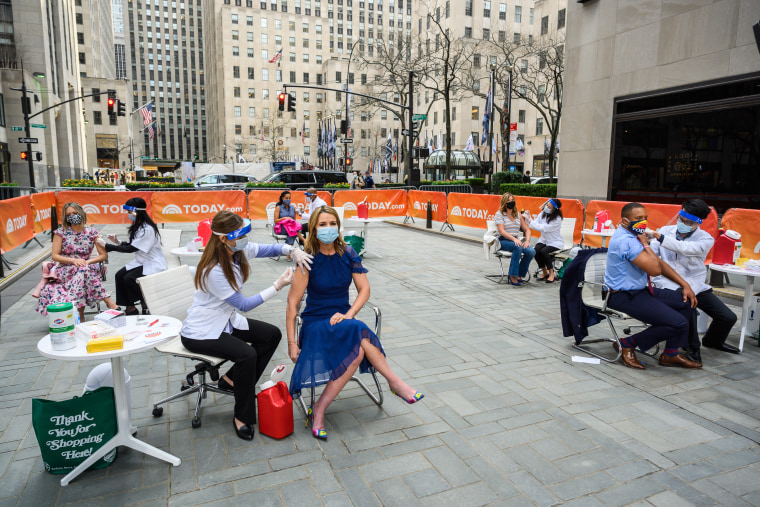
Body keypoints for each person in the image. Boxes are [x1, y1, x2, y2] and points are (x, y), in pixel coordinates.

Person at [287, 206, 423, 440]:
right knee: (359, 333)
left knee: (357, 341)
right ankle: (394, 382)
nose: (328, 228)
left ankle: (319, 409)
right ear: (313, 228)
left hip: (343, 320)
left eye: (332, 224)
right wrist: (291, 342)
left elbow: (364, 289)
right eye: (322, 224)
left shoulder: (348, 253)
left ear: (338, 227)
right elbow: (292, 304)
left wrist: (348, 314)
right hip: (316, 323)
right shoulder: (307, 259)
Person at [180, 210, 314, 440]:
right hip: (202, 330)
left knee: (271, 335)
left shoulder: (237, 250)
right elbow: (244, 304)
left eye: (245, 231)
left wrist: (293, 250)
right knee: (247, 355)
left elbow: (268, 249)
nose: (245, 238)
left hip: (226, 321)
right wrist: (278, 285)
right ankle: (242, 415)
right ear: (223, 238)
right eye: (239, 233)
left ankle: (232, 381)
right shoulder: (214, 270)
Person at [604, 202, 700, 370]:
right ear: (625, 221)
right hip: (622, 296)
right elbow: (655, 270)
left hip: (641, 291)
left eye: (645, 218)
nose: (643, 222)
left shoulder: (634, 235)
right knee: (678, 323)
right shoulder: (625, 240)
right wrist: (646, 245)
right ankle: (627, 343)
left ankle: (670, 354)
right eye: (638, 219)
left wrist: (685, 285)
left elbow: (659, 264)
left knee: (686, 302)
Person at [649, 199, 738, 361]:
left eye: (688, 222)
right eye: (681, 219)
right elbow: (653, 253)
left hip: (694, 283)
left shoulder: (705, 239)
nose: (682, 223)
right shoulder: (665, 230)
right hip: (667, 282)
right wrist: (647, 241)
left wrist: (659, 237)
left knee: (728, 317)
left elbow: (686, 249)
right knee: (688, 306)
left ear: (698, 223)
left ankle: (713, 341)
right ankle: (691, 347)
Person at [36, 202, 119, 320]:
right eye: (69, 214)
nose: (72, 216)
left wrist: (87, 262)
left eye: (75, 213)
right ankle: (108, 301)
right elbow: (55, 256)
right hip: (65, 269)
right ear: (65, 217)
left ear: (81, 213)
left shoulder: (92, 232)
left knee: (83, 270)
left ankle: (80, 316)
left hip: (86, 267)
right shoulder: (60, 233)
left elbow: (103, 256)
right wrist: (72, 260)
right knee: (82, 271)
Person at [98, 197, 167, 316]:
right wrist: (117, 242)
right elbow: (132, 244)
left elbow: (131, 249)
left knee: (129, 278)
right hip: (142, 261)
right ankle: (130, 308)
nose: (129, 215)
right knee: (119, 275)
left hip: (152, 263)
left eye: (130, 213)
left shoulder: (148, 229)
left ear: (137, 212)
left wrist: (107, 246)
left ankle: (146, 302)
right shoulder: (139, 226)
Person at [495, 192, 536, 286]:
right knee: (517, 247)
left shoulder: (517, 214)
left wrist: (527, 241)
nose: (511, 202)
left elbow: (527, 229)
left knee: (531, 251)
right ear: (504, 203)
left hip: (516, 240)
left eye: (512, 200)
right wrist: (514, 239)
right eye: (508, 201)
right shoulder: (499, 214)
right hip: (503, 241)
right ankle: (512, 275)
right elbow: (501, 231)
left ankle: (519, 274)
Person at [524, 198, 563, 283]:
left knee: (544, 251)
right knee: (536, 250)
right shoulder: (543, 213)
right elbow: (535, 223)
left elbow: (542, 228)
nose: (546, 207)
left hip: (555, 242)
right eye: (547, 205)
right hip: (544, 240)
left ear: (554, 209)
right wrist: (528, 217)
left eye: (549, 206)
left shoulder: (557, 219)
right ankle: (544, 272)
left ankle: (551, 273)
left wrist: (529, 219)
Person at [273, 190, 305, 258]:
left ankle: (288, 252)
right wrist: (285, 218)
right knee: (293, 230)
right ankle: (304, 240)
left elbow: (294, 220)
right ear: (282, 198)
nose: (288, 200)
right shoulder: (278, 207)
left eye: (289, 198)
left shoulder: (292, 207)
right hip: (280, 228)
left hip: (290, 228)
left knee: (293, 230)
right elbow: (276, 221)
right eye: (286, 198)